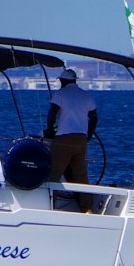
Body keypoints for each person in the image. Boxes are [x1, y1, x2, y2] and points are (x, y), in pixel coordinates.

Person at [45, 67, 98, 197]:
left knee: (54, 173)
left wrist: (50, 130)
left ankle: (48, 200)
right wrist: (88, 136)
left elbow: (52, 113)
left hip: (63, 139)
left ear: (63, 81)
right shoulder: (86, 96)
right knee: (81, 176)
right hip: (81, 141)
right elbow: (94, 118)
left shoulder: (60, 94)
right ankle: (86, 206)